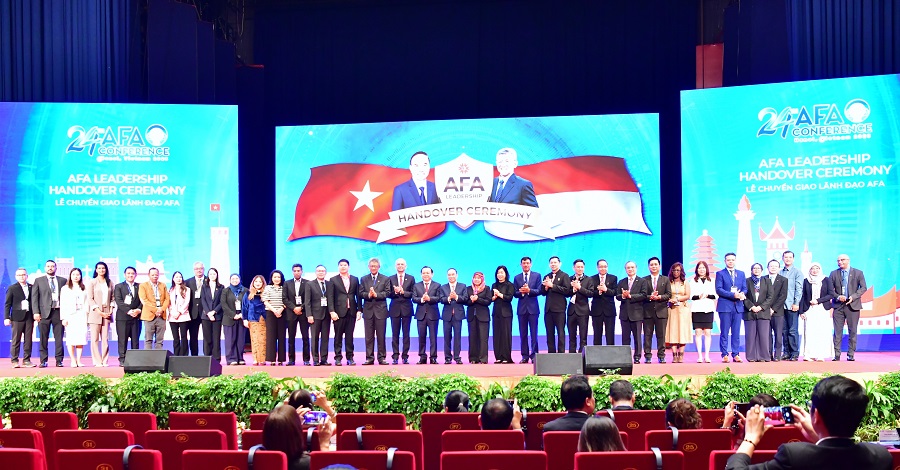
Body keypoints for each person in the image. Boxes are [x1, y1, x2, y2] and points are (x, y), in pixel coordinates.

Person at [725, 376, 891, 470]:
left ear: (815, 416)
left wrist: (750, 438)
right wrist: (818, 437)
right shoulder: (881, 456)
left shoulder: (794, 456)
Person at [262, 404, 335, 470]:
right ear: (297, 433)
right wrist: (324, 444)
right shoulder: (307, 464)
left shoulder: (259, 460)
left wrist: (290, 421)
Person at [828, 254, 866, 361]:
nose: (840, 262)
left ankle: (851, 354)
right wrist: (838, 296)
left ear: (848, 260)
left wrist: (853, 297)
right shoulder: (833, 273)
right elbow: (830, 290)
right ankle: (836, 354)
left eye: (842, 260)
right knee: (837, 332)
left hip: (853, 306)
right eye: (838, 260)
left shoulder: (858, 273)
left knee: (852, 331)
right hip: (838, 306)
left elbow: (863, 288)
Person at [31, 259, 67, 368]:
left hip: (58, 312)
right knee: (43, 338)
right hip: (43, 313)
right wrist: (36, 312)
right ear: (45, 268)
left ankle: (59, 360)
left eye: (52, 266)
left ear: (56, 268)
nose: (50, 268)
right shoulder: (39, 280)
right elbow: (34, 298)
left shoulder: (63, 281)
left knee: (59, 338)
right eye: (48, 266)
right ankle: (43, 360)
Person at [328, 259, 361, 366]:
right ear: (338, 267)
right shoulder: (333, 280)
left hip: (351, 311)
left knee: (349, 336)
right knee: (338, 336)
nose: (343, 267)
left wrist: (359, 310)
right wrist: (332, 311)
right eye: (341, 265)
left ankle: (350, 358)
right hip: (338, 312)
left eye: (345, 265)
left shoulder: (355, 279)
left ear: (349, 267)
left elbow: (358, 296)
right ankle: (338, 358)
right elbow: (330, 297)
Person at [359, 258, 391, 365]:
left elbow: (388, 293)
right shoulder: (364, 279)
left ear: (379, 267)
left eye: (375, 266)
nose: (373, 268)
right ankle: (369, 358)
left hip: (381, 311)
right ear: (368, 267)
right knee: (369, 337)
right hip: (368, 311)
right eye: (371, 266)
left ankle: (381, 358)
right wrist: (368, 295)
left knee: (381, 336)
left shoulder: (385, 278)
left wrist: (376, 295)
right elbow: (360, 293)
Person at [716, 253, 747, 363]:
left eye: (732, 260)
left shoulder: (741, 273)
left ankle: (736, 354)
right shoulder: (720, 273)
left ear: (735, 260)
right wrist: (733, 295)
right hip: (725, 307)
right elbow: (719, 289)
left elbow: (745, 288)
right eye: (728, 260)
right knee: (724, 332)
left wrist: (742, 293)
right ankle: (724, 354)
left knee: (736, 332)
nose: (730, 261)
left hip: (738, 307)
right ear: (725, 261)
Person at [801, 263, 835, 362]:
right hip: (809, 309)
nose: (815, 270)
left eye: (817, 268)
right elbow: (803, 296)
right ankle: (809, 354)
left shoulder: (826, 279)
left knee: (821, 331)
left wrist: (818, 301)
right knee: (809, 332)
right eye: (812, 268)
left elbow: (831, 294)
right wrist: (801, 311)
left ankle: (821, 354)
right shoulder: (806, 281)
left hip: (822, 309)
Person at [616, 261, 647, 364]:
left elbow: (644, 295)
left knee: (637, 337)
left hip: (637, 314)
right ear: (625, 269)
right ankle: (625, 357)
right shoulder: (622, 282)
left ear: (636, 268)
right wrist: (623, 296)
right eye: (628, 268)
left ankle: (637, 356)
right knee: (625, 337)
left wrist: (630, 296)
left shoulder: (642, 281)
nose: (630, 269)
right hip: (624, 314)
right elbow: (617, 296)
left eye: (632, 267)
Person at [513, 256, 542, 363]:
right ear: (521, 265)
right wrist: (521, 292)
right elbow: (514, 293)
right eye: (524, 263)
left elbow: (539, 290)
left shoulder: (537, 276)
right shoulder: (517, 278)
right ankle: (524, 356)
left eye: (527, 263)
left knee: (534, 333)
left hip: (533, 309)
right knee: (523, 334)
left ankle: (534, 355)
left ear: (531, 264)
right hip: (521, 309)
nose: (525, 265)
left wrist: (529, 290)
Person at [642, 257, 670, 364]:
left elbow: (669, 294)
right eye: (651, 265)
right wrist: (650, 297)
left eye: (655, 264)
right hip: (647, 312)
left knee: (661, 335)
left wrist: (659, 297)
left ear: (660, 266)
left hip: (661, 311)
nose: (653, 266)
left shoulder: (665, 279)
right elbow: (642, 295)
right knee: (647, 335)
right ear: (648, 267)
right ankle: (647, 356)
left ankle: (661, 355)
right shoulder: (644, 280)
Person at [5, 267, 35, 367]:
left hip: (29, 316)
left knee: (28, 340)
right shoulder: (12, 288)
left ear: (27, 276)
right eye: (19, 275)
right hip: (17, 317)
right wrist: (7, 317)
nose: (21, 277)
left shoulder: (31, 287)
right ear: (16, 277)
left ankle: (27, 360)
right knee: (16, 339)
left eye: (23, 275)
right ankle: (14, 360)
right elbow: (7, 304)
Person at [744, 263, 773, 363]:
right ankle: (751, 356)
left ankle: (763, 356)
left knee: (763, 336)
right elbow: (744, 296)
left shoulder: (767, 281)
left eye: (758, 268)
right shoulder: (747, 281)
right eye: (754, 268)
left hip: (763, 312)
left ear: (762, 270)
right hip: (750, 312)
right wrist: (751, 306)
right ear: (751, 270)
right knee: (750, 336)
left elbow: (770, 296)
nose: (756, 270)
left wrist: (761, 307)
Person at [113, 266, 142, 366]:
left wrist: (138, 310)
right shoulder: (119, 286)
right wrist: (129, 311)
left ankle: (135, 360)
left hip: (136, 317)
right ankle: (122, 359)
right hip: (123, 317)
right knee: (122, 340)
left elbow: (143, 300)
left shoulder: (140, 286)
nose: (130, 275)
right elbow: (119, 301)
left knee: (135, 340)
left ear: (136, 275)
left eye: (132, 273)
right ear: (124, 275)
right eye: (128, 273)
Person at [388, 258, 415, 365]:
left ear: (405, 266)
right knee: (395, 334)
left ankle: (405, 356)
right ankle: (395, 356)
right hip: (394, 309)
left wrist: (403, 292)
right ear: (395, 266)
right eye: (398, 264)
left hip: (407, 309)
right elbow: (388, 294)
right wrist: (395, 292)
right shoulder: (390, 278)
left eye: (402, 264)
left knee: (406, 334)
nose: (400, 266)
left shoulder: (411, 278)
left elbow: (413, 294)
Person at [86, 261, 113, 367]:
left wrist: (111, 309)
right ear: (96, 270)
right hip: (95, 313)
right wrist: (99, 311)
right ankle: (97, 361)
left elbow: (113, 298)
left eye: (103, 268)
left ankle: (105, 360)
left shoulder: (109, 282)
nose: (101, 270)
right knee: (95, 339)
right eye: (99, 268)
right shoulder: (92, 282)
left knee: (105, 338)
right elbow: (90, 298)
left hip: (107, 313)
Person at [60, 268, 89, 367]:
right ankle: (72, 360)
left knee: (81, 338)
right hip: (70, 315)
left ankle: (79, 360)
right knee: (71, 339)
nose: (76, 276)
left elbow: (87, 302)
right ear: (70, 276)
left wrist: (87, 315)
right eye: (74, 274)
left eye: (78, 275)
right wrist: (64, 318)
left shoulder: (84, 288)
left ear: (80, 276)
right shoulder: (65, 288)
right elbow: (63, 303)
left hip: (82, 314)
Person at [304, 265, 332, 366]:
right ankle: (315, 359)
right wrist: (309, 315)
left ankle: (324, 359)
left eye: (323, 271)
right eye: (319, 271)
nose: (321, 272)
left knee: (325, 338)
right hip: (314, 315)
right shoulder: (310, 284)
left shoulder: (329, 284)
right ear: (316, 272)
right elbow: (307, 301)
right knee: (314, 338)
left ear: (325, 272)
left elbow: (331, 299)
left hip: (326, 315)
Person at [542, 256, 571, 354]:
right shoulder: (547, 276)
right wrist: (545, 287)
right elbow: (542, 292)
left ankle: (561, 353)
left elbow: (567, 291)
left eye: (555, 262)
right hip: (548, 309)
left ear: (560, 264)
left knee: (560, 332)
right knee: (549, 333)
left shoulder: (564, 276)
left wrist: (552, 286)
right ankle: (551, 353)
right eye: (551, 263)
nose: (553, 264)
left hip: (559, 309)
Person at [283, 264, 311, 366]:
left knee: (305, 337)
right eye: (294, 271)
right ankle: (291, 359)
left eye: (298, 270)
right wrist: (294, 308)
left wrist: (301, 307)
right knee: (291, 337)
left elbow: (309, 298)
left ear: (302, 271)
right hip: (291, 313)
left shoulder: (307, 283)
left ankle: (306, 359)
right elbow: (285, 298)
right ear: (292, 272)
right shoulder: (287, 283)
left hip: (303, 313)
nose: (296, 272)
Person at [413, 266, 441, 364]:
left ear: (432, 274)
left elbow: (439, 298)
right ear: (421, 274)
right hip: (420, 315)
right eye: (424, 273)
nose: (426, 275)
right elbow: (414, 298)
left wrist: (429, 299)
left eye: (428, 273)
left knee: (433, 337)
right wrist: (421, 299)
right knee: (421, 337)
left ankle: (433, 357)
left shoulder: (437, 285)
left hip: (433, 315)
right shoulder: (416, 285)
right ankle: (422, 357)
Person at [689, 261, 716, 363]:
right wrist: (699, 296)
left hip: (708, 309)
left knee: (708, 332)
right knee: (698, 332)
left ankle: (707, 356)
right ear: (697, 270)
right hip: (697, 309)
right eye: (699, 268)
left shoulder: (712, 280)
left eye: (703, 268)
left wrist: (708, 295)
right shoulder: (693, 281)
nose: (701, 270)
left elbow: (716, 295)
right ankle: (700, 356)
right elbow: (690, 296)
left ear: (706, 269)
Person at [665, 262, 692, 363]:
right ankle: (674, 355)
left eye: (678, 270)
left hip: (683, 309)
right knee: (673, 331)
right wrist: (670, 300)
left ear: (681, 272)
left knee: (682, 331)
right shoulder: (669, 282)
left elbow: (687, 295)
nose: (676, 272)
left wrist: (678, 299)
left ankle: (681, 355)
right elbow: (666, 294)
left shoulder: (685, 283)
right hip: (672, 309)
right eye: (674, 270)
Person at [440, 268, 468, 365]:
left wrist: (456, 297)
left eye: (453, 274)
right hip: (447, 315)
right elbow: (441, 299)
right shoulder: (443, 287)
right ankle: (448, 358)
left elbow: (465, 298)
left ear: (457, 275)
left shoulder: (462, 286)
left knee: (457, 337)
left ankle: (457, 357)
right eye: (449, 275)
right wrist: (448, 298)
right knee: (447, 337)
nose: (451, 276)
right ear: (447, 276)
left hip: (458, 315)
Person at [781, 250, 804, 361]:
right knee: (783, 330)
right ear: (782, 258)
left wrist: (796, 303)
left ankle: (794, 353)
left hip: (792, 305)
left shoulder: (797, 272)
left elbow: (799, 289)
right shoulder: (780, 272)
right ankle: (786, 352)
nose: (788, 259)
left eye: (790, 257)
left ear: (793, 259)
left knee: (792, 330)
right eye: (786, 257)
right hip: (780, 306)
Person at [139, 267, 169, 350]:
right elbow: (144, 300)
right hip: (149, 316)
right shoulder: (143, 286)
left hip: (161, 315)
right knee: (148, 339)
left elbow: (167, 299)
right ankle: (148, 358)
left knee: (160, 340)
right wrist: (156, 310)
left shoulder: (163, 285)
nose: (155, 276)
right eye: (153, 275)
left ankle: (158, 357)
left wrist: (162, 309)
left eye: (156, 275)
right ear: (148, 275)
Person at [567, 259, 593, 353]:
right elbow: (566, 293)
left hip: (583, 311)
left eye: (582, 267)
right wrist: (573, 290)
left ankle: (582, 355)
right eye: (578, 267)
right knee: (571, 336)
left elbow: (590, 293)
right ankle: (572, 355)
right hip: (571, 311)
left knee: (583, 336)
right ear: (573, 268)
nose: (580, 269)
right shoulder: (569, 279)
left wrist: (579, 288)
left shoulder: (589, 279)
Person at [589, 259, 617, 346]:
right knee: (597, 334)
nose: (603, 268)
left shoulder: (613, 278)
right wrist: (598, 292)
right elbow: (590, 293)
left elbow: (615, 292)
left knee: (610, 334)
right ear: (597, 267)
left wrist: (606, 290)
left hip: (609, 310)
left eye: (605, 266)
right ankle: (597, 353)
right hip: (596, 310)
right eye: (601, 267)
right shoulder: (591, 279)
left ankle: (611, 353)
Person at [221, 274, 248, 365]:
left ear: (240, 280)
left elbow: (247, 304)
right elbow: (224, 305)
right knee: (230, 340)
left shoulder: (245, 290)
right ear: (230, 280)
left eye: (237, 278)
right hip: (229, 318)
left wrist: (242, 314)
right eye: (233, 278)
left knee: (240, 340)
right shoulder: (225, 291)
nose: (235, 280)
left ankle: (240, 357)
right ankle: (231, 358)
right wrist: (233, 315)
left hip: (241, 317)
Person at [490, 265, 515, 364]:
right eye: (498, 273)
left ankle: (506, 357)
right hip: (496, 313)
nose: (500, 275)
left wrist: (499, 294)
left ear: (505, 274)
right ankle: (498, 357)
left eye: (502, 273)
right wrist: (494, 297)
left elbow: (509, 298)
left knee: (506, 335)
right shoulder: (494, 285)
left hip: (506, 313)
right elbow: (491, 298)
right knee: (497, 335)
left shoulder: (510, 285)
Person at [466, 272, 491, 364]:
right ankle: (473, 358)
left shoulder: (486, 288)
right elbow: (466, 302)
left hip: (483, 316)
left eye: (478, 278)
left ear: (482, 279)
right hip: (471, 316)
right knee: (472, 337)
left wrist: (478, 299)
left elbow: (488, 301)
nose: (476, 280)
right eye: (475, 278)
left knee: (483, 338)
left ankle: (483, 358)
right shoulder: (468, 289)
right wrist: (471, 300)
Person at [766, 260, 789, 361]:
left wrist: (773, 309)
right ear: (768, 267)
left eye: (775, 266)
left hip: (778, 311)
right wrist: (766, 308)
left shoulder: (783, 280)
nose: (773, 268)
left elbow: (783, 296)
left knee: (778, 334)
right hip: (765, 311)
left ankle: (777, 355)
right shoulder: (763, 279)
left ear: (779, 268)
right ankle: (768, 354)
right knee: (767, 335)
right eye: (771, 266)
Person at [243, 275, 268, 365]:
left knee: (263, 339)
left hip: (264, 319)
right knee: (254, 339)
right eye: (256, 281)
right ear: (253, 283)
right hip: (252, 319)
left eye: (260, 282)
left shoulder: (266, 293)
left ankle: (263, 359)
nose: (258, 283)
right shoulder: (248, 293)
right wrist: (245, 319)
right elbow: (244, 307)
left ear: (263, 283)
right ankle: (255, 359)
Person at [201, 268, 225, 362]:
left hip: (217, 316)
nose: (212, 276)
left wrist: (214, 312)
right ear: (208, 275)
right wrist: (208, 313)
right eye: (210, 274)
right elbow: (203, 300)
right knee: (207, 338)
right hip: (206, 316)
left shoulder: (221, 287)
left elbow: (222, 302)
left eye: (214, 274)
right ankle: (207, 358)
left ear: (217, 275)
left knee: (216, 338)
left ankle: (216, 359)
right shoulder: (204, 287)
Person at [264, 270, 287, 366]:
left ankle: (281, 359)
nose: (277, 279)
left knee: (282, 337)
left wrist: (281, 309)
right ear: (271, 278)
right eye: (275, 277)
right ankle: (271, 359)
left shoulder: (285, 287)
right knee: (271, 337)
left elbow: (287, 300)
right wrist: (274, 310)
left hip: (282, 313)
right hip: (270, 313)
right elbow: (265, 301)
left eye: (278, 277)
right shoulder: (268, 288)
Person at [184, 261, 206, 356]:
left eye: (201, 268)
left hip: (206, 313)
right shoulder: (187, 282)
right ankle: (194, 356)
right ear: (194, 270)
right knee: (193, 337)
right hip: (193, 313)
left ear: (203, 269)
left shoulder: (209, 281)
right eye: (197, 269)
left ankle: (207, 356)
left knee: (207, 337)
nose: (199, 270)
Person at [168, 271, 191, 355]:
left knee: (184, 337)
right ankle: (176, 355)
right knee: (175, 338)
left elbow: (187, 302)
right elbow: (168, 303)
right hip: (172, 317)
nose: (178, 279)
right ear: (173, 279)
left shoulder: (187, 289)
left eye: (180, 277)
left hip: (183, 316)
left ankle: (183, 355)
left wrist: (179, 312)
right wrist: (172, 312)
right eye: (176, 277)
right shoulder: (170, 290)